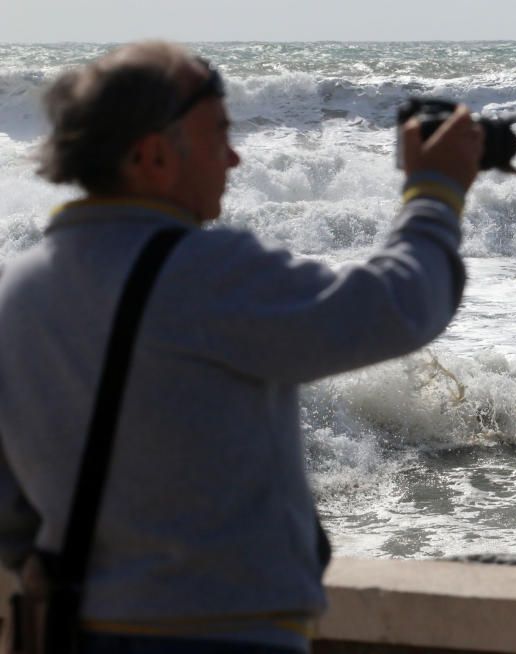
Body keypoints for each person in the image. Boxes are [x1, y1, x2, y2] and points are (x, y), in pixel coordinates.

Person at [0, 41, 482, 652]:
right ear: (151, 155)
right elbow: (395, 308)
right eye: (217, 134)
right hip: (222, 634)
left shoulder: (19, 289)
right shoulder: (203, 272)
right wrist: (434, 197)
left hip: (82, 630)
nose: (233, 157)